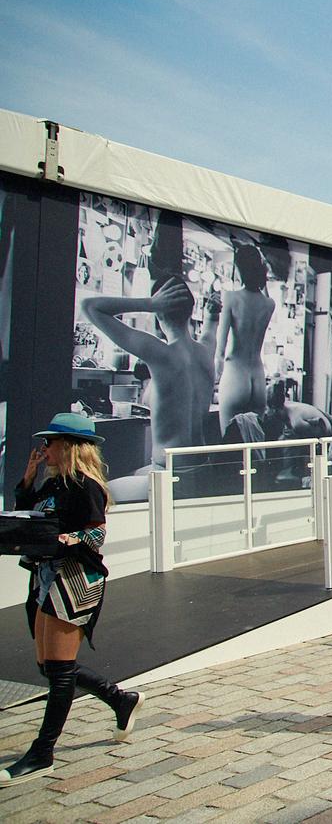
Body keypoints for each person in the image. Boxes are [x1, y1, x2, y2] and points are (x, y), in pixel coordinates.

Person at [1, 414, 143, 786]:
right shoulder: (55, 484)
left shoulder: (86, 484)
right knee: (49, 666)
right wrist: (28, 478)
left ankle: (42, 752)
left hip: (75, 578)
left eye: (50, 442)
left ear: (70, 446)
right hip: (47, 576)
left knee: (60, 669)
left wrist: (72, 540)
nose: (43, 448)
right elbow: (28, 511)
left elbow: (97, 532)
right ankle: (120, 699)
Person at [81, 277, 217, 494]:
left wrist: (149, 304)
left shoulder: (161, 353)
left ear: (159, 311)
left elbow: (89, 306)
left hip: (170, 476)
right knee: (137, 474)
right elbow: (211, 328)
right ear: (190, 311)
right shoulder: (207, 352)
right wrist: (212, 315)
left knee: (100, 492)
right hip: (202, 469)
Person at [216, 244, 276, 432]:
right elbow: (264, 291)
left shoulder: (231, 298)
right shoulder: (269, 304)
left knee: (229, 444)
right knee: (255, 443)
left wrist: (216, 371)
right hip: (258, 377)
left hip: (236, 373)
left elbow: (220, 346)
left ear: (238, 269)